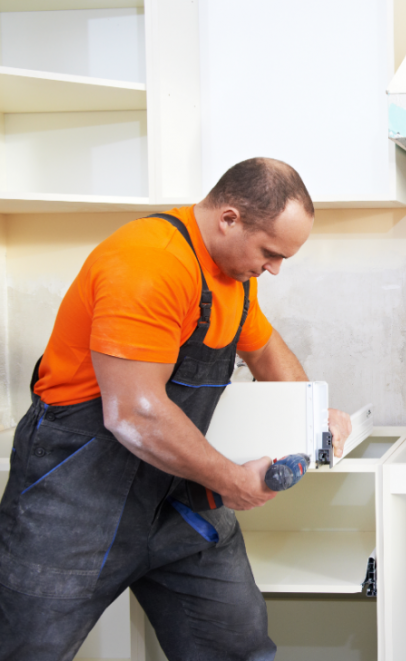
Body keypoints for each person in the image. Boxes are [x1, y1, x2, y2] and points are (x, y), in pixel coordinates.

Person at [0, 157, 352, 660]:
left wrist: (313, 417)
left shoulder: (233, 275)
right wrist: (234, 482)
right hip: (76, 499)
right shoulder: (150, 262)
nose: (274, 268)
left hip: (179, 498)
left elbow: (266, 351)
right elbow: (135, 414)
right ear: (229, 218)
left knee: (237, 647)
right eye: (270, 252)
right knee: (24, 650)